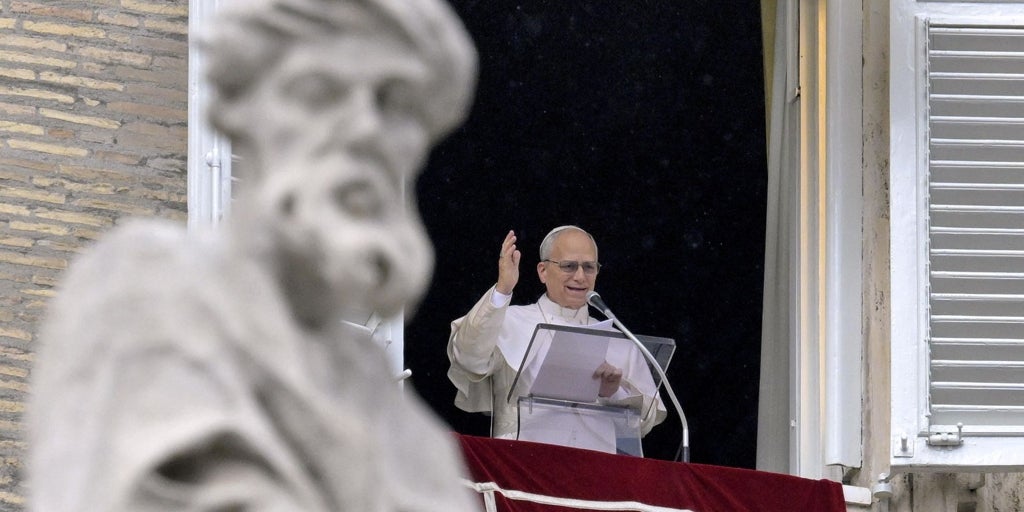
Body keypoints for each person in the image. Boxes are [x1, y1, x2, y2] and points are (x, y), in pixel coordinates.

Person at [27, 0, 479, 511]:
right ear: (235, 108)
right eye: (318, 91)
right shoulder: (144, 288)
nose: (364, 128)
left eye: (394, 105)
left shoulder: (411, 438)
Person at [447, 226, 667, 451]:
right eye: (569, 266)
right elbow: (468, 359)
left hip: (597, 467)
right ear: (543, 271)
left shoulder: (620, 341)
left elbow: (645, 422)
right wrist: (503, 289)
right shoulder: (508, 321)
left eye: (589, 267)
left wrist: (613, 392)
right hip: (522, 463)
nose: (580, 276)